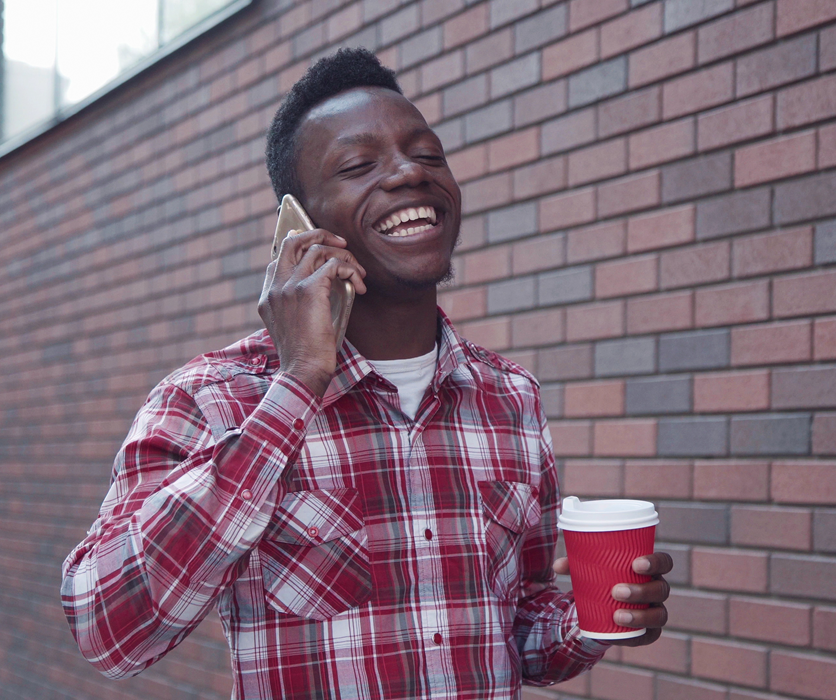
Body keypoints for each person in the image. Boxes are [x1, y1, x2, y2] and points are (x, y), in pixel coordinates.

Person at [61, 48, 671, 699]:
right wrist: (296, 384)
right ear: (298, 228)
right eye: (358, 166)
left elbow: (517, 626)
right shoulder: (210, 399)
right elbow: (109, 630)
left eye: (429, 155)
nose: (410, 172)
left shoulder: (509, 397)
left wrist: (594, 621)